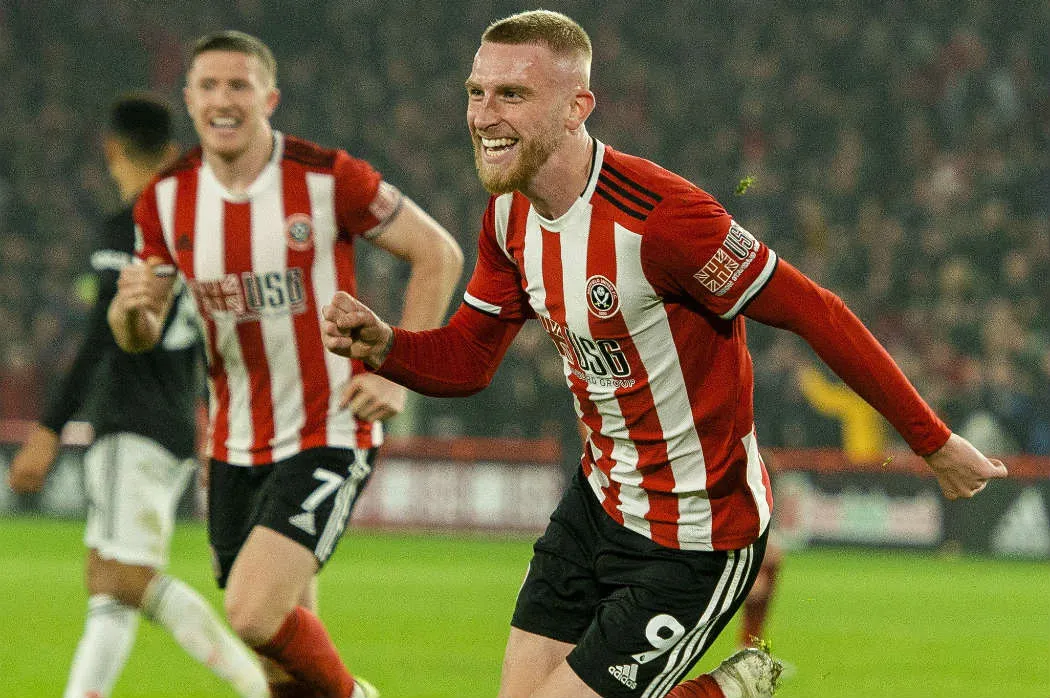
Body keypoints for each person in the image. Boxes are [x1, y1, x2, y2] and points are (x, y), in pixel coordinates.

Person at [320, 10, 1009, 698]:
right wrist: (387, 345)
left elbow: (816, 313)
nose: (483, 114)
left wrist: (932, 441)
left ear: (576, 108)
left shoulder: (663, 219)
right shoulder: (509, 218)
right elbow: (469, 359)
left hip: (699, 539)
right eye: (476, 91)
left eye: (512, 95)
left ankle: (723, 691)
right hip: (597, 507)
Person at [107, 31, 463, 698]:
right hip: (234, 445)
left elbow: (437, 254)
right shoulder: (165, 200)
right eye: (208, 86)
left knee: (252, 612)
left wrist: (395, 368)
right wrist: (130, 313)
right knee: (280, 661)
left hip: (328, 427)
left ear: (267, 97)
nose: (223, 99)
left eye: (238, 85)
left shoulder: (326, 177)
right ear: (188, 100)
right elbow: (141, 330)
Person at [7, 94, 269, 698]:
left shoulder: (128, 225)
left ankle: (260, 687)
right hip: (170, 422)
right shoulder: (196, 227)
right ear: (174, 153)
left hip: (130, 422)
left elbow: (102, 335)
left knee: (125, 578)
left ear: (111, 148)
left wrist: (47, 431)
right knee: (107, 583)